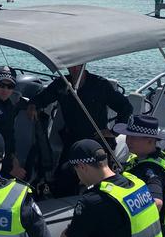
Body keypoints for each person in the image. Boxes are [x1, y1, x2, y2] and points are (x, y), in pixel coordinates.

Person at [26, 64, 132, 196]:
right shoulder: (62, 84)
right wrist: (33, 104)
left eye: (78, 66)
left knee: (100, 181)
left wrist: (114, 131)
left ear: (84, 65)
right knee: (63, 180)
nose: (75, 69)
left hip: (97, 140)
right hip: (73, 139)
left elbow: (126, 107)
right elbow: (42, 97)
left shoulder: (100, 85)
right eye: (72, 66)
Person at [60, 139, 165, 237]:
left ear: (82, 167)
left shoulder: (92, 201)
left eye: (76, 170)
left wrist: (66, 233)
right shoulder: (136, 183)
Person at [114, 115, 165, 237]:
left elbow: (156, 203)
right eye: (127, 136)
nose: (128, 141)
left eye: (133, 137)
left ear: (149, 140)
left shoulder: (151, 170)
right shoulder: (158, 157)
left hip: (148, 236)